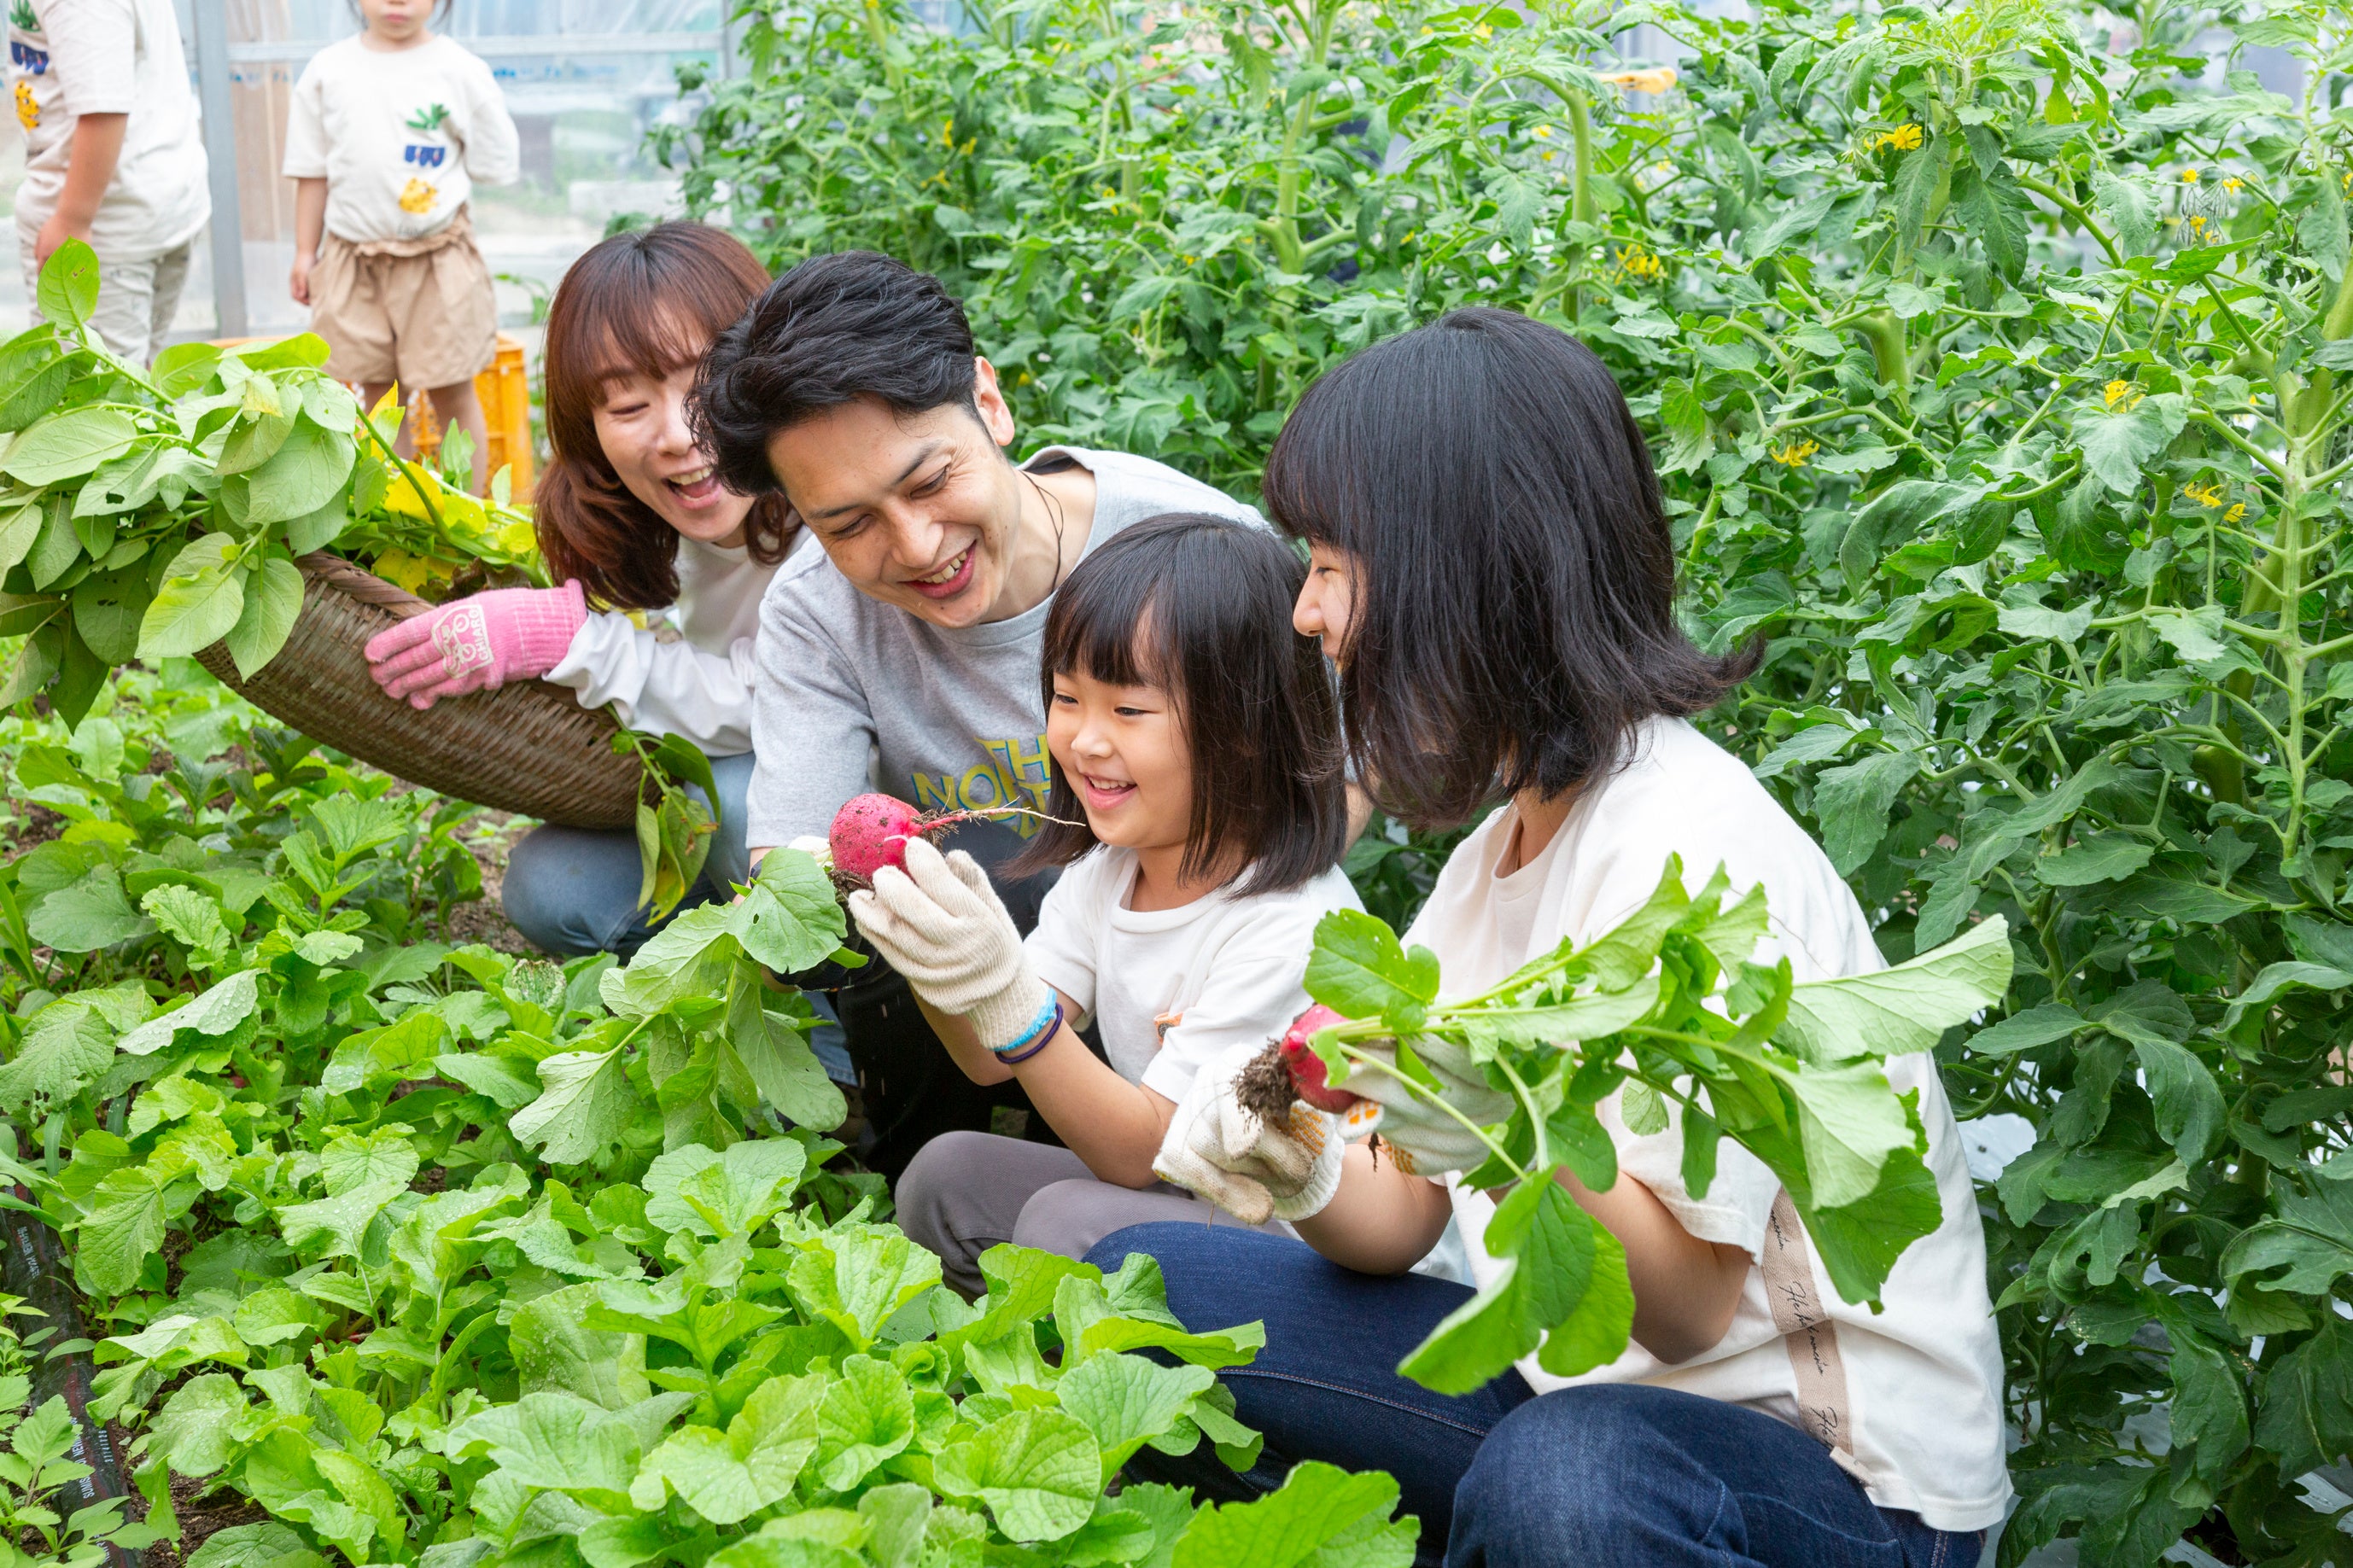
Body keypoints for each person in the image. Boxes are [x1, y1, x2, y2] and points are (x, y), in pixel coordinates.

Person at [1093, 309, 2008, 1567]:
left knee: (1565, 1480)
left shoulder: (1688, 850)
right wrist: (1291, 1160)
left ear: (1460, 572)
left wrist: (1502, 1119)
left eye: (1331, 561)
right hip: (1574, 1403)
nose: (1307, 612)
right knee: (1143, 1289)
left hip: (1823, 1484)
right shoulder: (1497, 857)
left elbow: (1681, 1314)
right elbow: (1402, 1220)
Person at [690, 249, 1269, 1179]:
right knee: (890, 895)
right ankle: (921, 1171)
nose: (916, 545)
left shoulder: (1186, 550)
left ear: (987, 403)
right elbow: (787, 866)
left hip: (1194, 939)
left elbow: (1338, 778)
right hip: (977, 971)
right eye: (848, 525)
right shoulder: (814, 609)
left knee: (1029, 865)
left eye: (928, 482)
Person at [845, 515, 1360, 1293]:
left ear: (1248, 730)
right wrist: (935, 952)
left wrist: (1009, 1001)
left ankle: (1109, 1387)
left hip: (1306, 1255)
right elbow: (987, 1058)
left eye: (1128, 710)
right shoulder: (1111, 872)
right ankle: (1005, 1372)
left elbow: (1140, 1148)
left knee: (1064, 1225)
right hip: (1184, 1198)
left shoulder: (1290, 926)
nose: (1083, 740)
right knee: (943, 1175)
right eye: (1066, 698)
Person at [362, 223, 806, 959]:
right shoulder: (637, 521)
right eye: (628, 408)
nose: (677, 435)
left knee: (739, 805)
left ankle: (833, 1025)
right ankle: (715, 972)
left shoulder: (835, 511)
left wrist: (563, 638)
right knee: (551, 885)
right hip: (719, 806)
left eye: (705, 384)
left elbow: (780, 704)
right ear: (589, 428)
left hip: (865, 813)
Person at [283, 0, 518, 492]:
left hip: (438, 259)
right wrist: (306, 252)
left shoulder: (460, 71)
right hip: (354, 257)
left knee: (452, 386)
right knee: (379, 391)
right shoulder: (329, 72)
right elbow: (312, 172)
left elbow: (495, 160)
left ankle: (467, 513)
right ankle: (397, 510)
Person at [9, 0, 208, 362]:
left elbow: (102, 109)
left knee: (94, 399)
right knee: (135, 384)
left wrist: (72, 219)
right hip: (154, 201)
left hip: (104, 229)